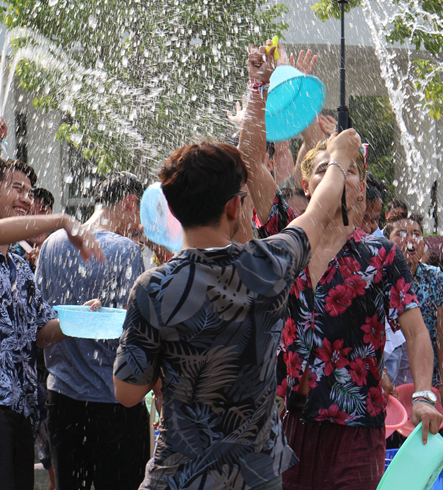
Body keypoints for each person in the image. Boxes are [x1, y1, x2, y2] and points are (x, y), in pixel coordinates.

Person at [239, 41, 442, 490]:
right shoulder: (286, 234)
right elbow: (250, 162)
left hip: (357, 429)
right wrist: (258, 88)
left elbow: (415, 331)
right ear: (309, 184)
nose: (338, 175)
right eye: (326, 169)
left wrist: (425, 394)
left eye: (349, 169)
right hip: (291, 425)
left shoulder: (380, 256)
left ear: (362, 187)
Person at [113, 132, 362, 489]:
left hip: (180, 476)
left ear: (172, 210)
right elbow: (319, 211)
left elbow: (127, 393)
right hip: (254, 476)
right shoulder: (269, 265)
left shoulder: (154, 287)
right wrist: (339, 158)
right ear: (234, 206)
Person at [0, 158, 103, 490]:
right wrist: (62, 221)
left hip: (21, 405)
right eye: (17, 189)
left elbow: (42, 334)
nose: (26, 199)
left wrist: (79, 318)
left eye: (30, 193)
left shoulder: (20, 268)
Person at [37, 172, 150, 490]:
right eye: (140, 214)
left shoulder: (51, 244)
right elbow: (134, 332)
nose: (140, 225)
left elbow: (39, 322)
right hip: (113, 401)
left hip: (62, 399)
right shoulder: (127, 250)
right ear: (130, 203)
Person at [382, 212, 443, 443]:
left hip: (429, 384)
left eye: (416, 233)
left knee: (434, 448)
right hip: (390, 387)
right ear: (387, 241)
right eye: (401, 233)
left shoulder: (435, 278)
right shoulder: (379, 277)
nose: (410, 239)